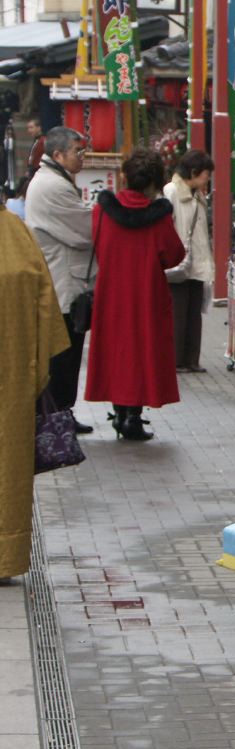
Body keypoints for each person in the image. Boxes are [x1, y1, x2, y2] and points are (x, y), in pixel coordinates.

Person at [83, 148, 185, 441]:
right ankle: (133, 417)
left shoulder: (103, 210)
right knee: (143, 351)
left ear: (125, 177)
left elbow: (98, 244)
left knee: (116, 350)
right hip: (146, 292)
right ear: (154, 182)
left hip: (111, 291)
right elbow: (174, 254)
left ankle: (120, 411)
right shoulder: (159, 217)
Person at [0, 203, 68, 581]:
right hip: (11, 380)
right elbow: (48, 310)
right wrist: (35, 371)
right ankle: (4, 554)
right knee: (7, 466)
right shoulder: (18, 233)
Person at [24, 126, 94, 434]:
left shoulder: (55, 180)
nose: (81, 157)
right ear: (57, 155)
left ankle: (60, 413)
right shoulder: (53, 187)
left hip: (65, 280)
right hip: (63, 284)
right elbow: (85, 232)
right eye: (77, 152)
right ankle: (57, 416)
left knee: (66, 356)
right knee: (63, 357)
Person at [163, 148, 214, 372]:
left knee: (194, 311)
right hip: (178, 261)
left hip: (197, 259)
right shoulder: (172, 191)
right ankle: (176, 360)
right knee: (178, 311)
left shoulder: (198, 194)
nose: (208, 179)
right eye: (205, 174)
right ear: (193, 172)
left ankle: (192, 359)